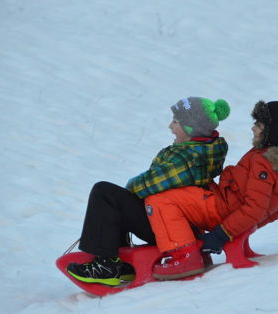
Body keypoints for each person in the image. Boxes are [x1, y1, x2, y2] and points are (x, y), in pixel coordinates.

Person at [144, 100, 278, 280]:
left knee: (159, 200)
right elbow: (274, 211)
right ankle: (195, 252)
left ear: (273, 131)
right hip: (226, 205)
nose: (253, 129)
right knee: (186, 188)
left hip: (220, 208)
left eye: (258, 124)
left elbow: (255, 208)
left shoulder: (264, 162)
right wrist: (244, 228)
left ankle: (185, 257)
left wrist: (222, 234)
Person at [66, 97, 231, 286]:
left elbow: (150, 184)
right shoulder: (201, 149)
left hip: (173, 225)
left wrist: (127, 192)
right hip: (177, 220)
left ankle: (106, 266)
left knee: (105, 193)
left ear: (191, 129)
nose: (170, 126)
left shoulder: (189, 158)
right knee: (115, 199)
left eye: (176, 122)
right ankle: (118, 260)